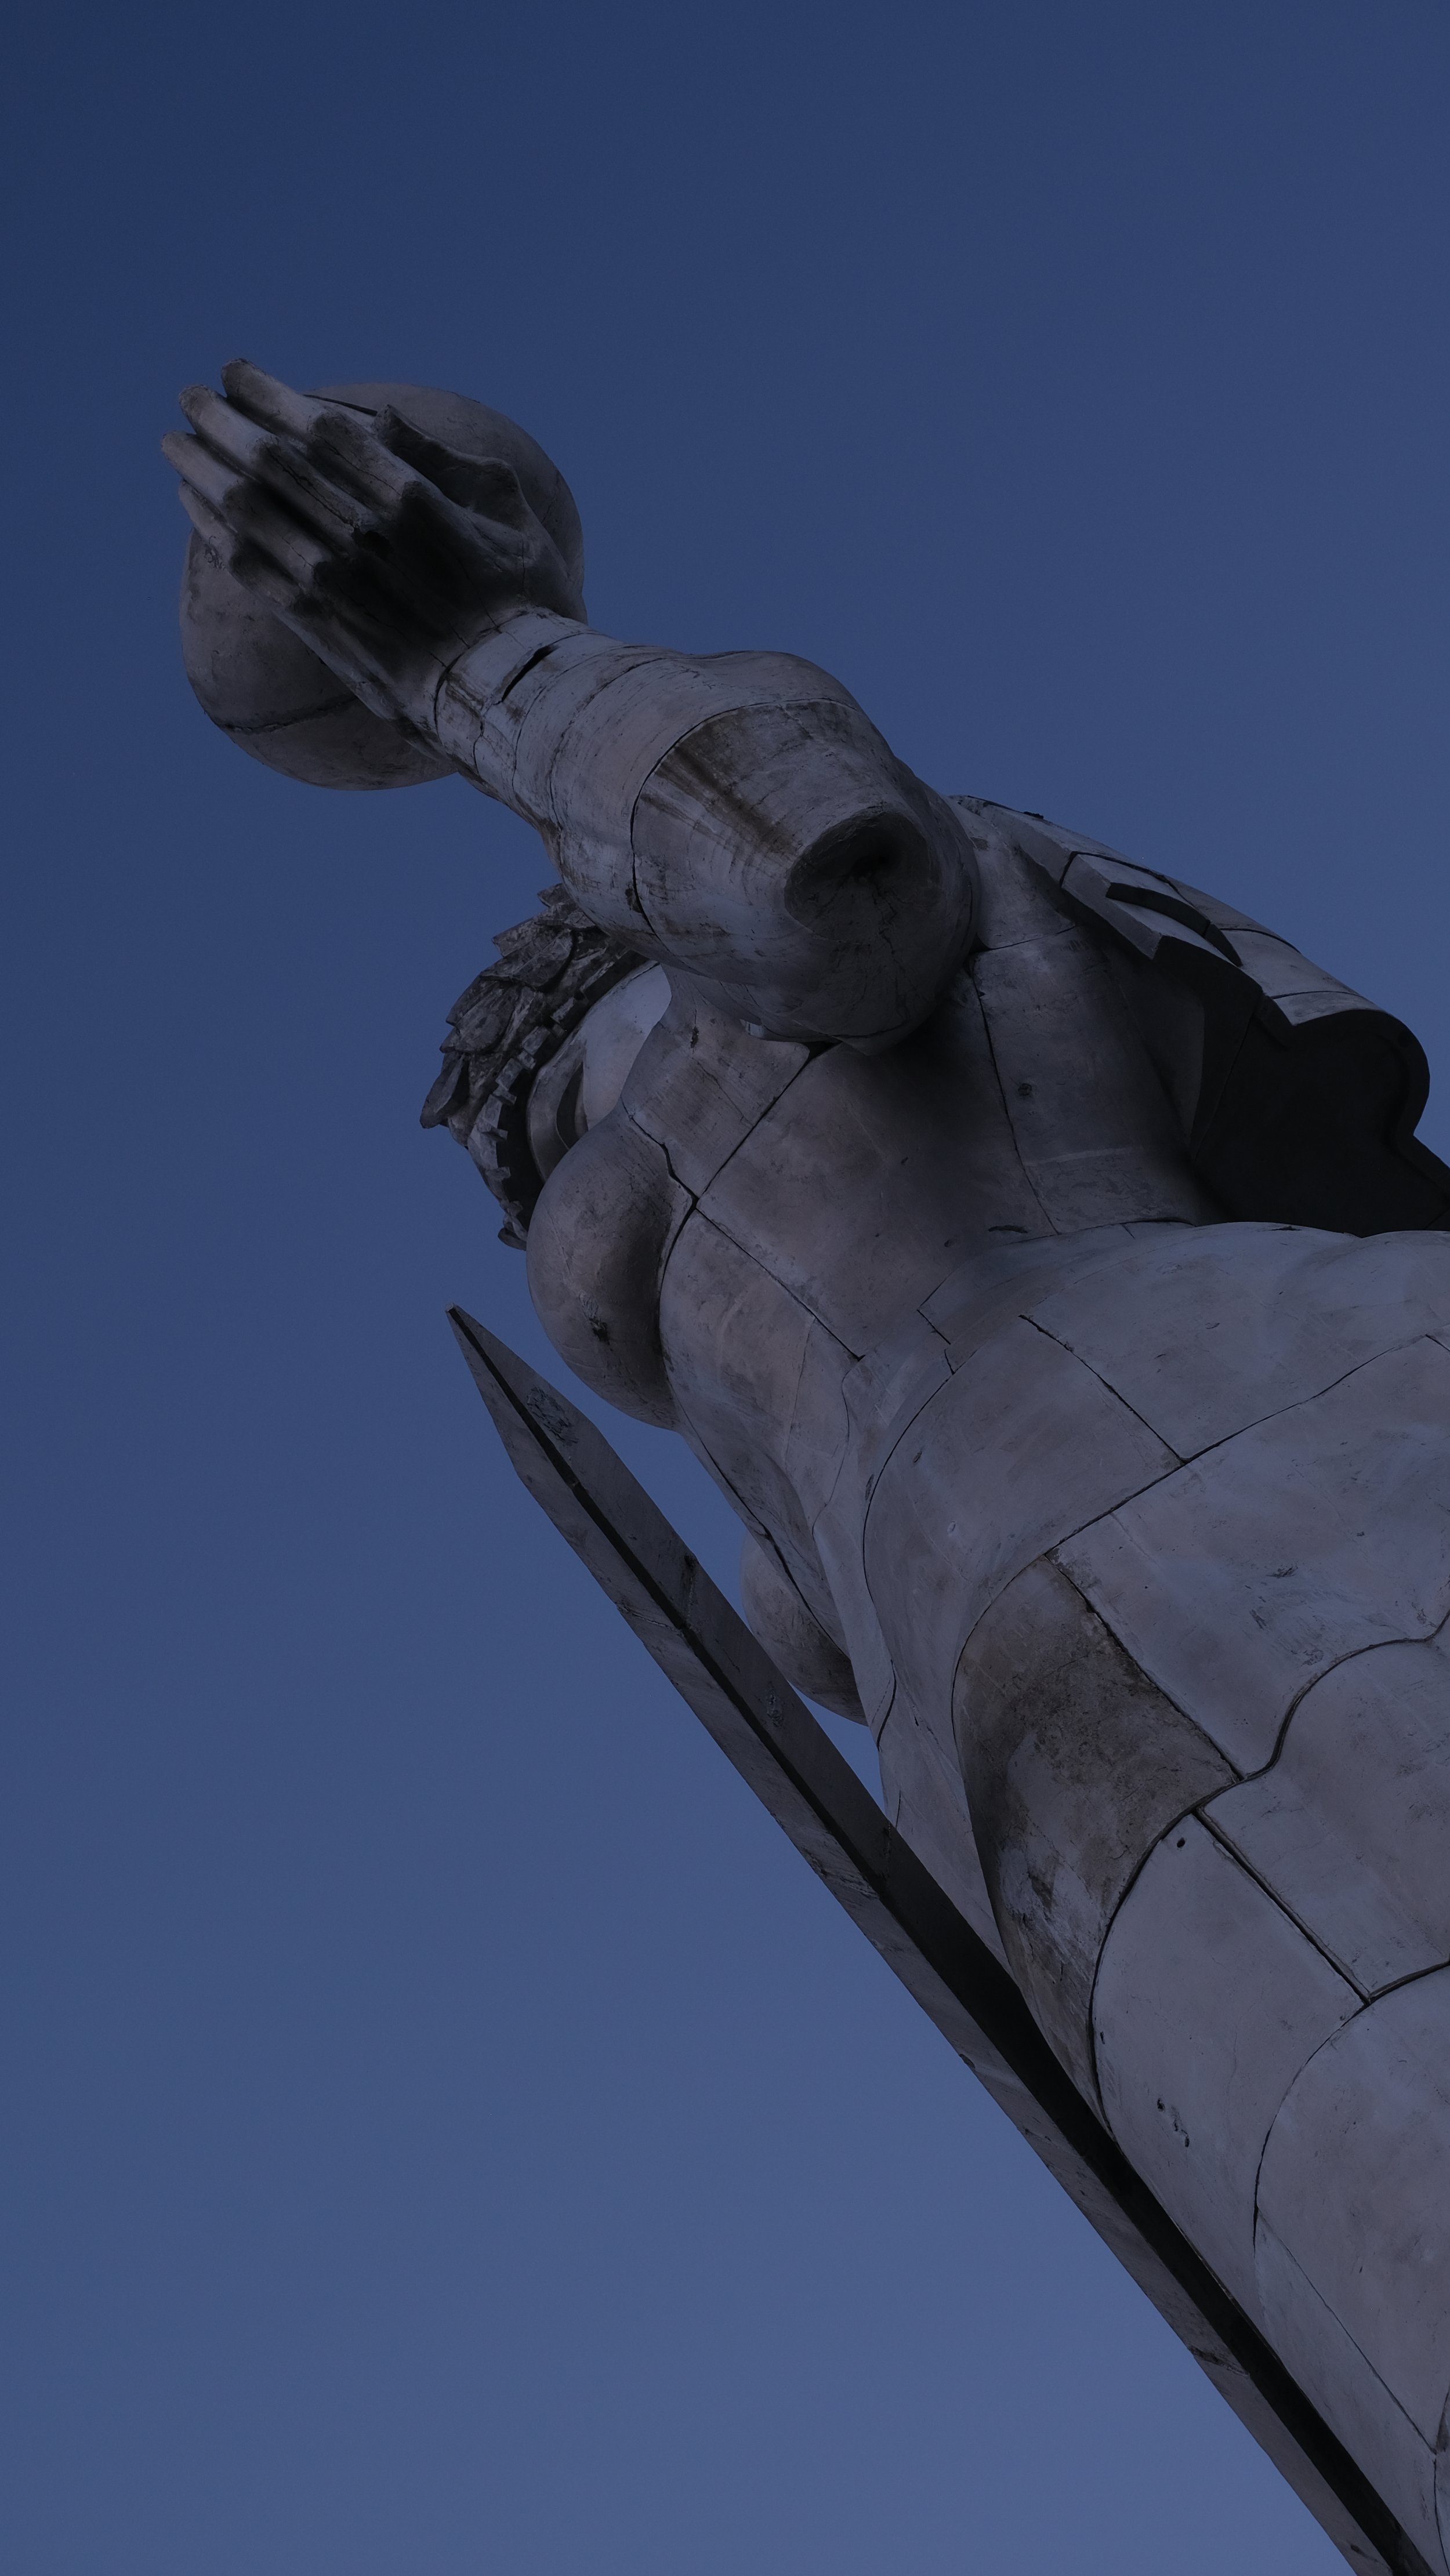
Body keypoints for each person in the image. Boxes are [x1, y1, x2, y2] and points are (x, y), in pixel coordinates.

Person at [166, 367, 1450, 2566]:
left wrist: (471, 657)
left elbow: (804, 870)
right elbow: (809, 1631)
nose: (566, 1157)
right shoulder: (730, 1375)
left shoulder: (836, 893)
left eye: (566, 1088)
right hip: (1019, 1753)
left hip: (1256, 1439)